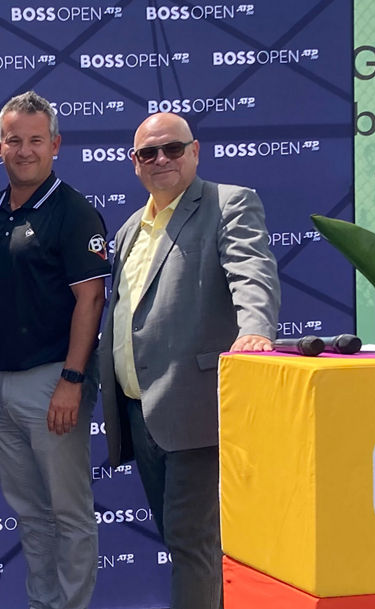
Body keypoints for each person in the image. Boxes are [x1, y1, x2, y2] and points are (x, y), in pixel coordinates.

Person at [98, 113, 280, 608]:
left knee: (190, 542)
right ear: (134, 164)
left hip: (197, 409)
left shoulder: (229, 203)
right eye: (148, 153)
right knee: (189, 544)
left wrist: (256, 331)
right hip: (141, 413)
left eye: (172, 149)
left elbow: (252, 272)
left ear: (195, 151)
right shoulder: (130, 228)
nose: (161, 160)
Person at [0, 91, 109, 609]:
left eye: (35, 140)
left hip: (54, 382)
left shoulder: (74, 211)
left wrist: (72, 380)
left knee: (68, 512)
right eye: (13, 140)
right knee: (30, 513)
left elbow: (90, 301)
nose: (24, 150)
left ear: (55, 145)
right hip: (1, 378)